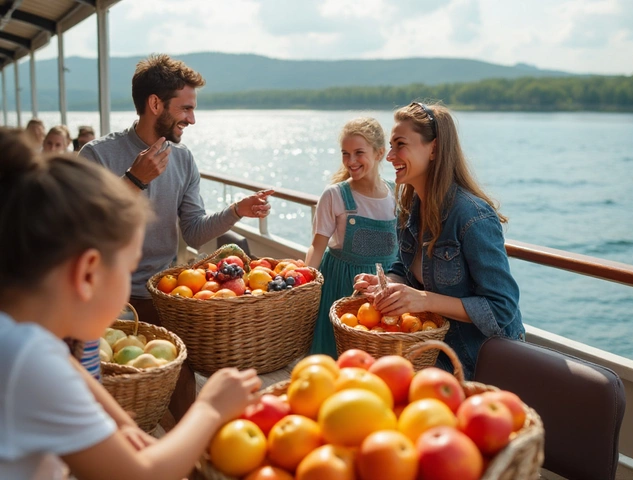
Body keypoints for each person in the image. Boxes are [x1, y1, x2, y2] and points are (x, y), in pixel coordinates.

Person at [0, 127, 261, 480]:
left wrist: (133, 435)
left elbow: (99, 408)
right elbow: (139, 475)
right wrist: (211, 409)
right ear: (88, 272)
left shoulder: (25, 339)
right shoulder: (28, 360)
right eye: (128, 267)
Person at [79, 53, 272, 421]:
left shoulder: (183, 159)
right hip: (107, 302)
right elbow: (82, 231)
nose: (192, 119)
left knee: (183, 388)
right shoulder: (97, 155)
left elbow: (195, 232)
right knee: (117, 405)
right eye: (185, 108)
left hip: (164, 293)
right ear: (155, 104)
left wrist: (237, 211)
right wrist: (133, 181)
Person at [354, 102, 525, 379]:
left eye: (400, 145)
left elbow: (501, 309)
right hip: (434, 357)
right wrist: (388, 284)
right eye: (390, 145)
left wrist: (423, 300)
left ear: (433, 148)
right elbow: (404, 268)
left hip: (482, 366)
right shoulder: (409, 208)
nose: (389, 156)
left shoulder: (472, 215)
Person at [306, 117, 398, 358]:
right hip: (341, 283)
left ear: (379, 153)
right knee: (338, 354)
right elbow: (317, 247)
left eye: (359, 153)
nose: (351, 161)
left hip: (385, 284)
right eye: (345, 154)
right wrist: (304, 286)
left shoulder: (398, 194)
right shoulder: (334, 195)